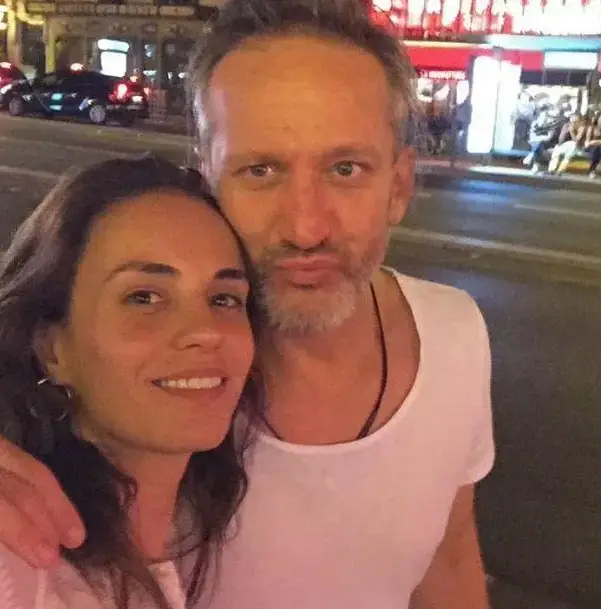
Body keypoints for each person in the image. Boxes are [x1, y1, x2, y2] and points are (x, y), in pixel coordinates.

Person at [0, 0, 496, 607]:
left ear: (399, 186)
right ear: (205, 180)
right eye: (260, 170)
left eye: (346, 169)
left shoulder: (455, 336)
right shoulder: (163, 383)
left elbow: (449, 555)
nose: (306, 228)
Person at [0, 155, 264, 608]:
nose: (206, 331)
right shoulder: (19, 560)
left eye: (224, 299)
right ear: (52, 349)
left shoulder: (202, 527)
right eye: (143, 297)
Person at [584, 114, 601, 178]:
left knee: (597, 150)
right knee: (596, 149)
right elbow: (587, 139)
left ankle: (591, 171)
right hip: (590, 146)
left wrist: (595, 142)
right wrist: (590, 143)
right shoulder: (592, 127)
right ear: (598, 119)